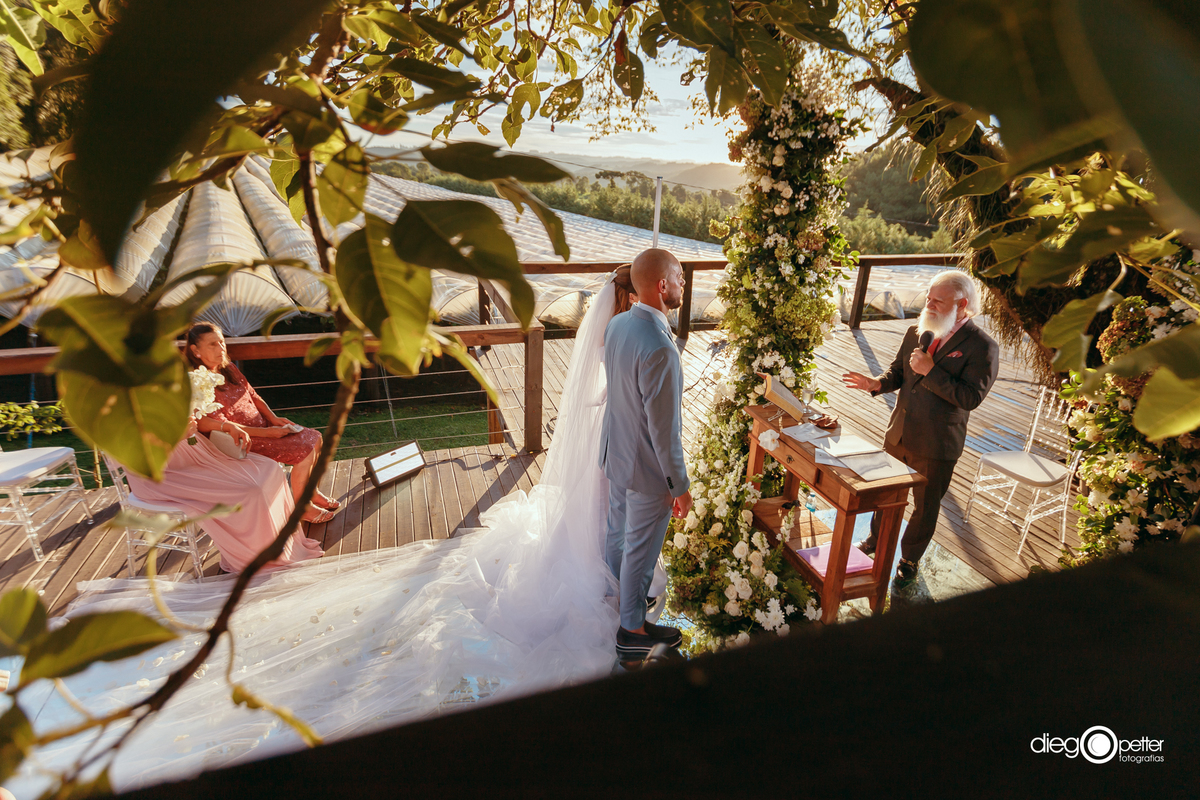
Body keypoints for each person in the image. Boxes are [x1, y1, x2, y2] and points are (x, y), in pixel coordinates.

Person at [12, 266, 659, 795]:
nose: (220, 352)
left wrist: (261, 430)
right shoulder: (642, 338)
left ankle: (295, 517)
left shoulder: (222, 376)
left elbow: (249, 412)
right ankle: (282, 527)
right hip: (200, 459)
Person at [841, 269, 999, 592]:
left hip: (937, 444)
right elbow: (899, 371)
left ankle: (909, 560)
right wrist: (878, 383)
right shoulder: (917, 330)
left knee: (925, 507)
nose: (929, 304)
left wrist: (931, 371)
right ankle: (874, 538)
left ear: (963, 304)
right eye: (928, 297)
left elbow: (971, 397)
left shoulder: (983, 347)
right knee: (885, 493)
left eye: (937, 301)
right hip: (899, 432)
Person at [600, 248, 692, 664]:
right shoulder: (660, 347)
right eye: (679, 277)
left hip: (616, 455)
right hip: (645, 468)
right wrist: (680, 487)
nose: (683, 284)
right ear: (662, 285)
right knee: (641, 547)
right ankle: (630, 630)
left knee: (618, 535)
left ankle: (623, 606)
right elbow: (664, 431)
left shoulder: (618, 324)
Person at [121, 418, 325, 574]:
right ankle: (258, 557)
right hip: (162, 473)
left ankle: (281, 545)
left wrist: (226, 426)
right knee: (250, 491)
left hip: (197, 454)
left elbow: (196, 417)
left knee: (269, 468)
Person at [184, 322, 340, 523]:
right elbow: (205, 423)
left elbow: (253, 395)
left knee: (315, 438)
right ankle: (302, 507)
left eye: (222, 342)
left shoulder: (229, 369)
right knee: (305, 450)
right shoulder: (196, 381)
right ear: (196, 351)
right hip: (239, 440)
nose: (221, 349)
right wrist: (267, 434)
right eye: (213, 345)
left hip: (262, 428)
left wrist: (272, 418)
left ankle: (311, 491)